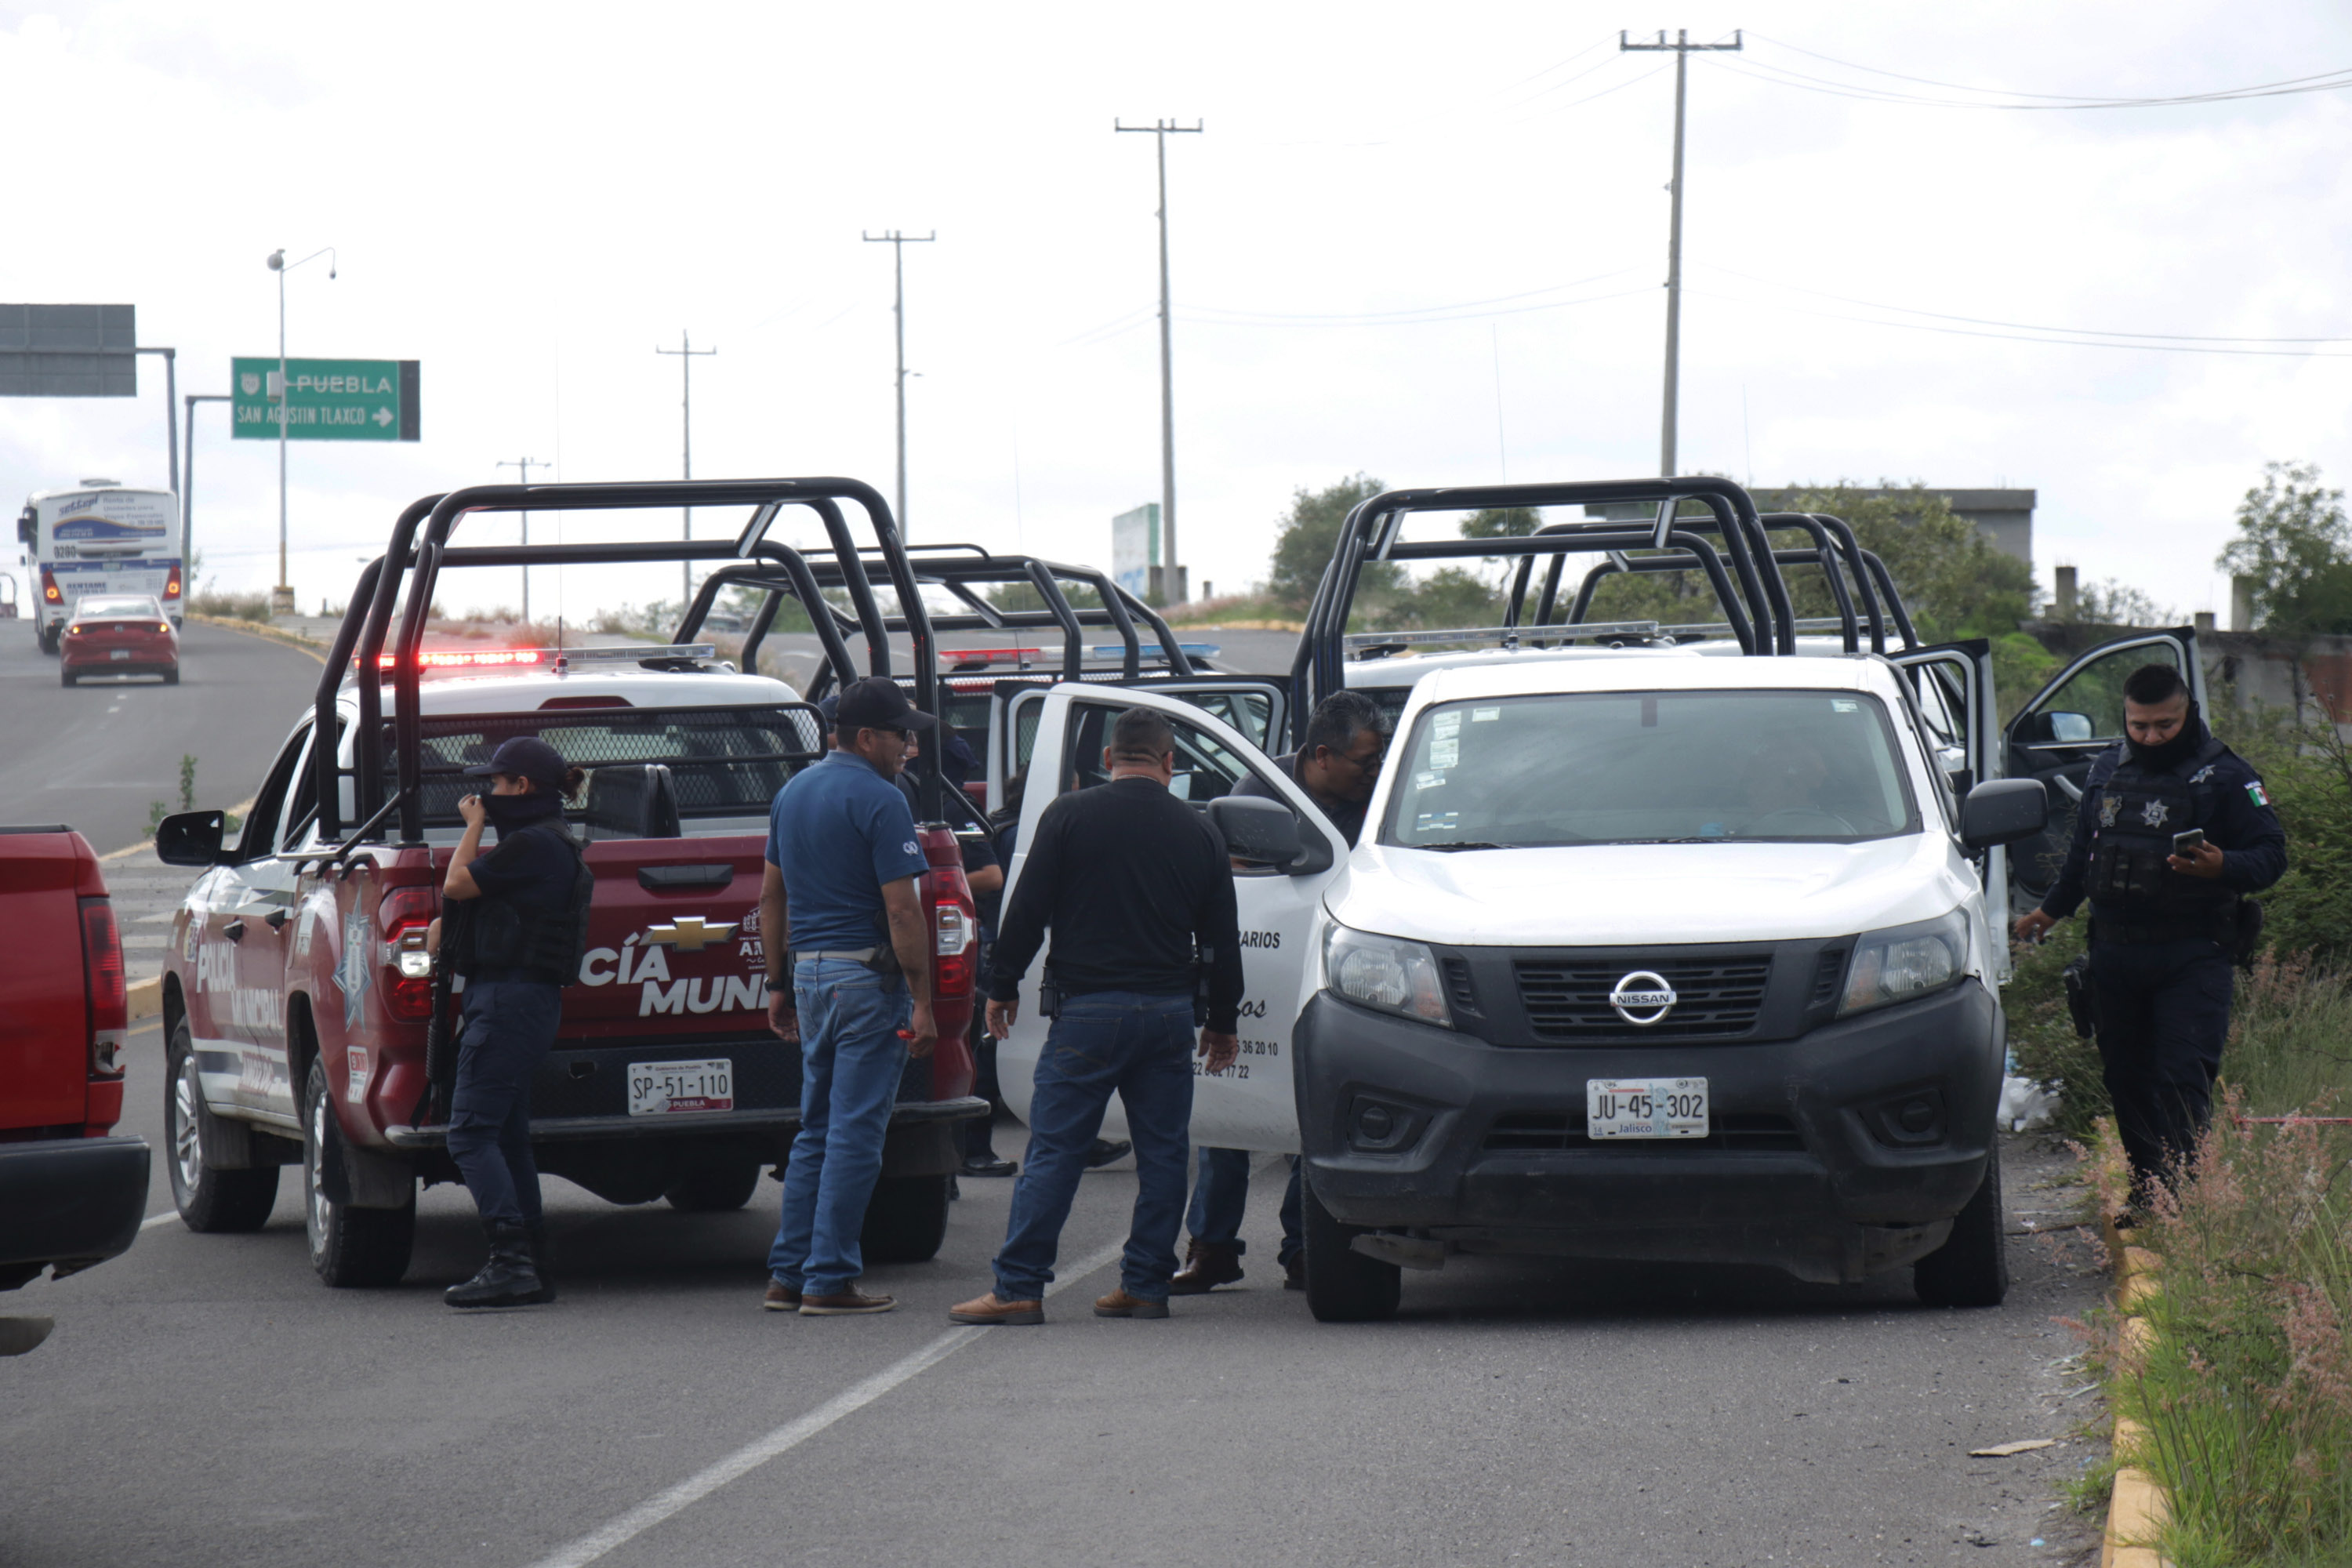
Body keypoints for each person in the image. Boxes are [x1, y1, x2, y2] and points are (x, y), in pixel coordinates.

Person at [949, 707, 1243, 1325]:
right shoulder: (1201, 832)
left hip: (1088, 1013)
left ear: (1109, 760)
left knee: (1055, 1151)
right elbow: (1221, 937)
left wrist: (1001, 985)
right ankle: (1145, 1287)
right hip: (1167, 1016)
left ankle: (1019, 1289)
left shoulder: (1070, 816)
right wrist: (1223, 1020)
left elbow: (1025, 911)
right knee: (1164, 1155)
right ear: (1170, 763)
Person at [2013, 663, 2285, 1207]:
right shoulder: (2107, 768)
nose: (2152, 737)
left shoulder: (2229, 775)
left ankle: (2184, 1201)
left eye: (2165, 724)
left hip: (2193, 953)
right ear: (2126, 716)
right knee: (2127, 1078)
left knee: (2182, 1078)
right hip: (2114, 953)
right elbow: (2085, 852)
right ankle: (2148, 1192)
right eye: (2140, 725)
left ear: (2189, 714)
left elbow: (2271, 855)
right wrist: (2052, 910)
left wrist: (2223, 865)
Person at [1172, 689, 1389, 1295]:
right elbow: (1235, 884)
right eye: (1365, 762)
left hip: (1335, 976)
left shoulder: (1377, 802)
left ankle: (1303, 1248)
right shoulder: (1257, 796)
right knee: (1229, 1117)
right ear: (1321, 755)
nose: (1375, 774)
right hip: (1259, 977)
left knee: (1316, 1117)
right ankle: (1211, 1248)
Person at [760, 676, 942, 1316]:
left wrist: (778, 983)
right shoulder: (881, 797)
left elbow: (771, 897)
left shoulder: (792, 792)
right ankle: (830, 1278)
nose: (907, 748)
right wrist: (923, 1001)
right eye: (900, 736)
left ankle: (788, 1273)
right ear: (866, 738)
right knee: (856, 1134)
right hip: (867, 981)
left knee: (816, 1130)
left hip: (810, 974)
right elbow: (902, 911)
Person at [437, 736, 594, 1309]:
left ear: (523, 788)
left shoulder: (533, 844)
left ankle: (510, 1261)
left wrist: (471, 826)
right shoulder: (541, 843)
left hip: (510, 1002)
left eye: (497, 785)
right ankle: (532, 1258)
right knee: (506, 1134)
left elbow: (457, 883)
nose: (486, 794)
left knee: (470, 1133)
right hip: (512, 998)